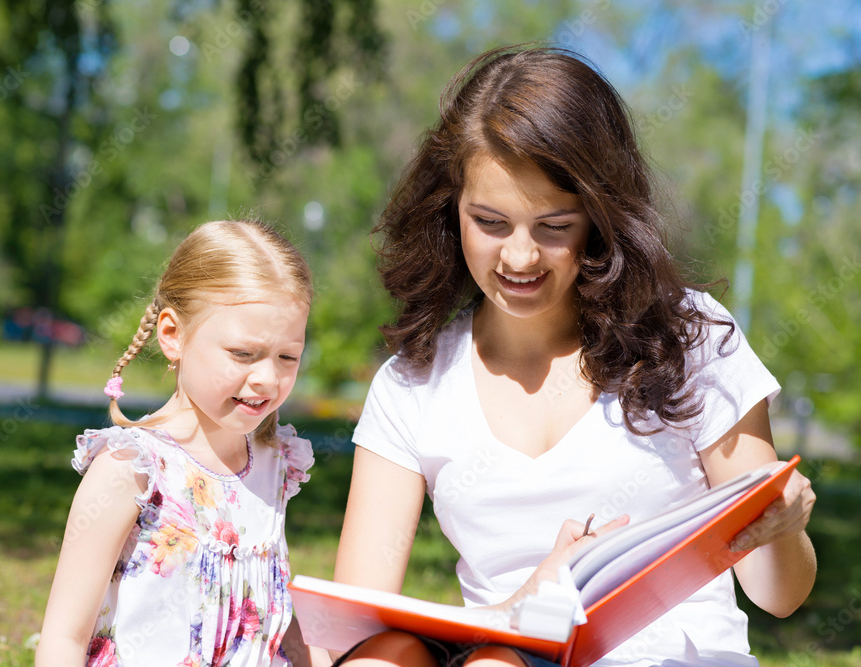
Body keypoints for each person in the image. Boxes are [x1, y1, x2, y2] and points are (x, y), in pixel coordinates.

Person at [331, 45, 817, 667]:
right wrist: (522, 610)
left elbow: (778, 596)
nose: (519, 259)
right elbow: (349, 622)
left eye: (554, 226)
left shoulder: (688, 338)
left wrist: (783, 528)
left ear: (598, 216)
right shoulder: (412, 383)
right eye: (490, 222)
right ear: (451, 209)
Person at [36, 219, 318, 666]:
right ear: (173, 335)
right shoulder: (133, 466)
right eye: (243, 354)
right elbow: (64, 638)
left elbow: (271, 609)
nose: (267, 378)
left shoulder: (275, 462)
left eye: (288, 357)